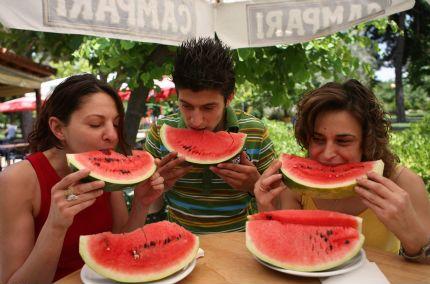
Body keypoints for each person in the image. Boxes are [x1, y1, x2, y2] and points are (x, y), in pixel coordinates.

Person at [0, 74, 164, 283]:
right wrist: (55, 226)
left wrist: (141, 204)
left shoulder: (106, 172)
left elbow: (122, 244)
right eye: (96, 124)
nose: (112, 135)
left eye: (115, 124)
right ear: (58, 128)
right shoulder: (16, 181)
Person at [254, 79, 430, 262]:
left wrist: (413, 238)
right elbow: (289, 253)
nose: (328, 153)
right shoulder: (295, 187)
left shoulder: (404, 184)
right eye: (318, 139)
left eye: (343, 141)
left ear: (367, 142)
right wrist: (267, 211)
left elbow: (425, 270)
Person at [144, 37, 276, 233]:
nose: (196, 120)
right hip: (178, 242)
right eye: (186, 106)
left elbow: (277, 206)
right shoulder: (160, 132)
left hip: (238, 244)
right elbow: (150, 208)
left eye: (208, 107)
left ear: (229, 97)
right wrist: (157, 187)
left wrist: (255, 185)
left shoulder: (255, 133)